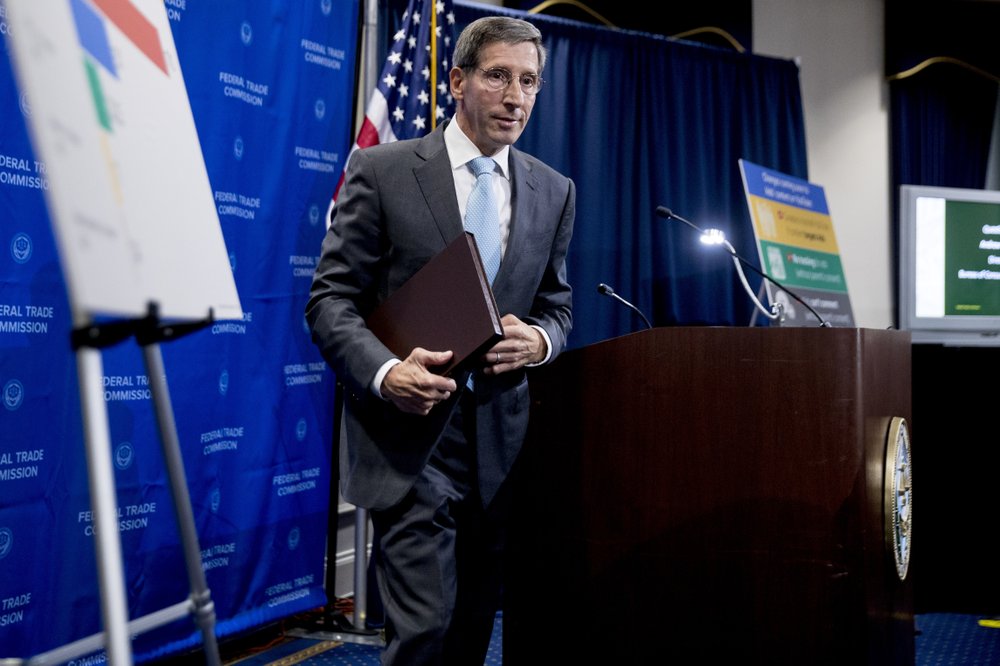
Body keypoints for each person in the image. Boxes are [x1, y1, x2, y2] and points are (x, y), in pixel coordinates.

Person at [305, 14, 575, 666]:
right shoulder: (383, 170)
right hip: (410, 442)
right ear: (458, 80)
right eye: (498, 77)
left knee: (471, 633)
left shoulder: (553, 190)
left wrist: (540, 341)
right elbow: (330, 302)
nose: (516, 97)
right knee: (424, 629)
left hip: (501, 452)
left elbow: (558, 307)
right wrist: (386, 372)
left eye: (529, 82)